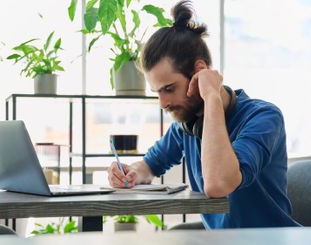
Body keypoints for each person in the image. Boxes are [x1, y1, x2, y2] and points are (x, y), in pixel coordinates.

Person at [107, 0, 300, 229]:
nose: (163, 103)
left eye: (169, 89)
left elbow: (219, 184)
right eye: (157, 92)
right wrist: (129, 173)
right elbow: (149, 167)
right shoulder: (187, 125)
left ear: (200, 71)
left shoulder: (264, 118)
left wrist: (211, 97)